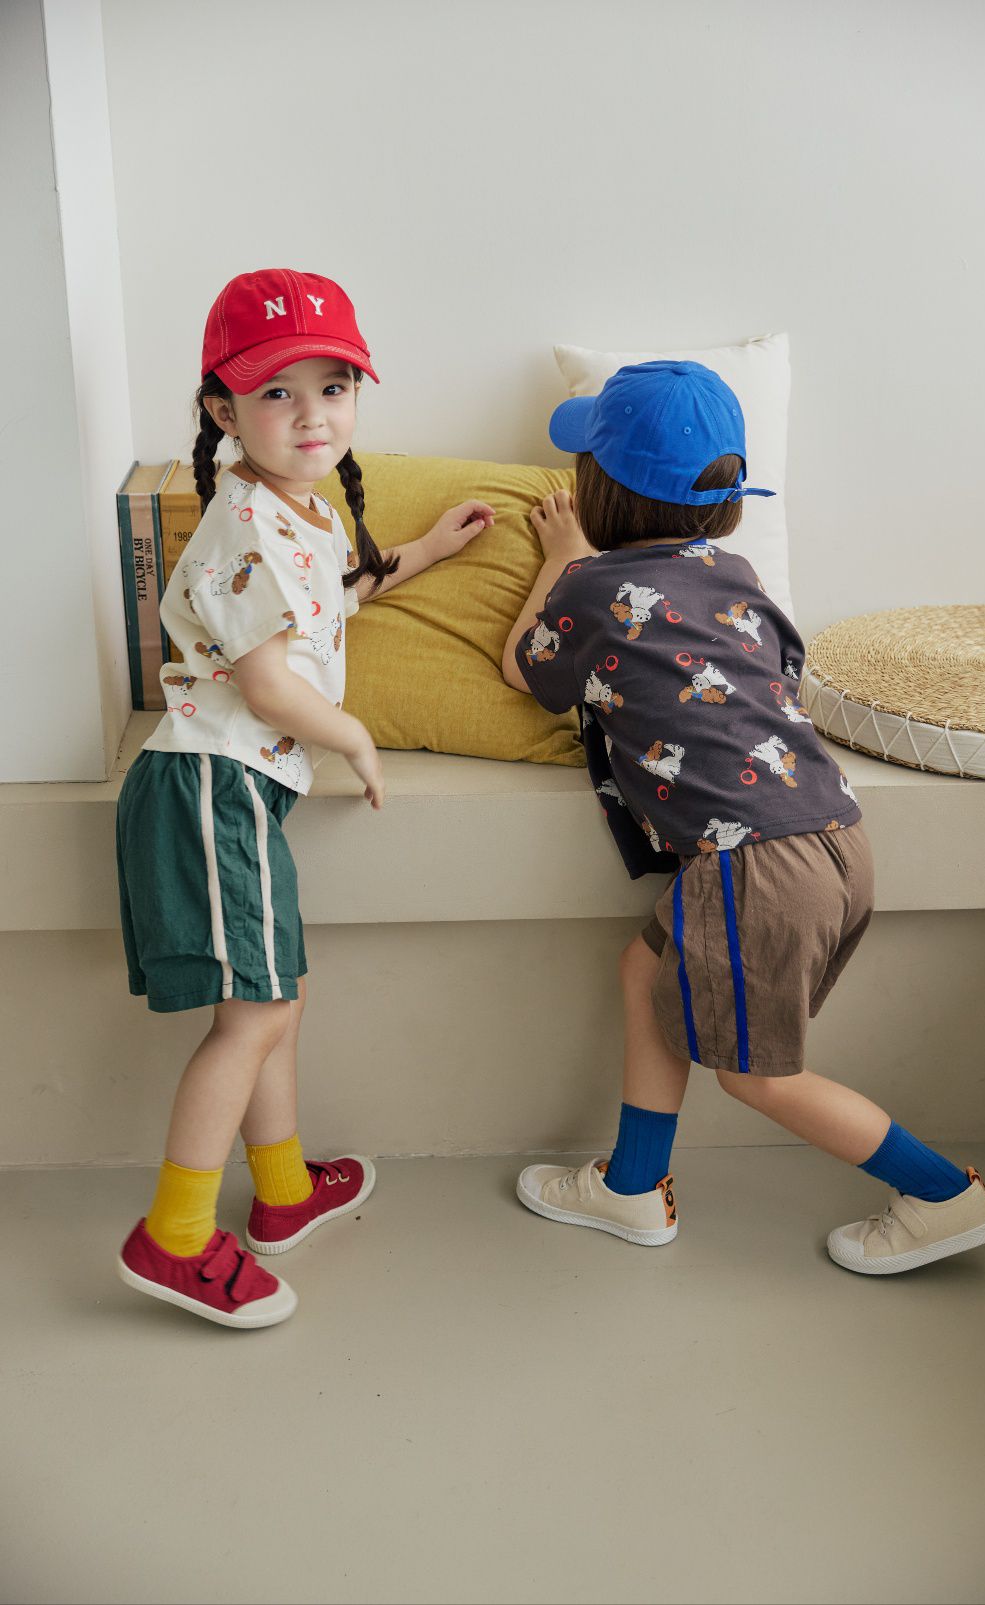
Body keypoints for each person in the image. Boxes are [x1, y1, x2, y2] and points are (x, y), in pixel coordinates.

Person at [502, 360, 985, 1274]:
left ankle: (944, 1194)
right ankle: (632, 1185)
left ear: (600, 491)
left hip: (754, 867)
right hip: (834, 835)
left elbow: (529, 673)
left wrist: (560, 558)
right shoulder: (737, 573)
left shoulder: (591, 587)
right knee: (645, 968)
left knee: (757, 1076)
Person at [116, 269, 494, 1327]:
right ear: (222, 410)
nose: (312, 413)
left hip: (239, 788)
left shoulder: (304, 510)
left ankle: (281, 1192)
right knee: (257, 1013)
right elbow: (270, 683)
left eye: (333, 386)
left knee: (277, 1000)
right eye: (276, 392)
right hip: (210, 783)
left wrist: (428, 551)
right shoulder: (243, 519)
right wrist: (355, 739)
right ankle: (173, 1236)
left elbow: (330, 604)